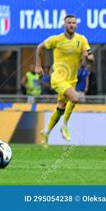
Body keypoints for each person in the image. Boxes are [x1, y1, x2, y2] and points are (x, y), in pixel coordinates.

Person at [35, 15, 94, 147]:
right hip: (58, 77)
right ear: (64, 24)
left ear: (76, 25)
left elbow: (90, 54)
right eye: (69, 23)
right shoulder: (56, 39)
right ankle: (65, 126)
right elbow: (40, 47)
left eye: (74, 23)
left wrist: (89, 57)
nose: (71, 25)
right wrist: (38, 66)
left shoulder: (82, 39)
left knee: (61, 107)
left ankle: (46, 131)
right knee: (75, 98)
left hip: (71, 80)